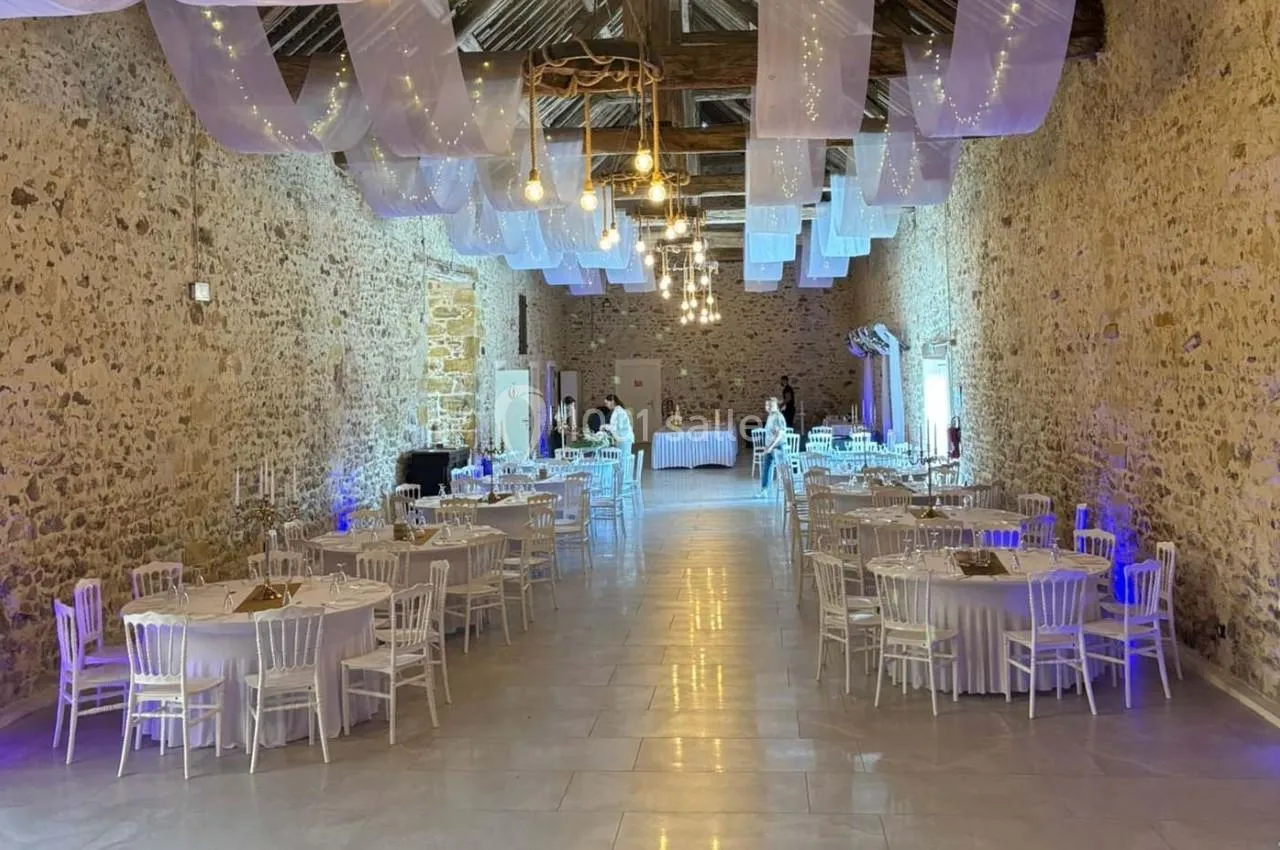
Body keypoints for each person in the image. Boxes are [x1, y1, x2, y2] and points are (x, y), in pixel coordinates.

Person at [601, 394, 635, 481]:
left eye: (607, 403)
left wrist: (605, 427)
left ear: (612, 401)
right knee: (622, 459)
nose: (606, 405)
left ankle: (624, 480)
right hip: (622, 439)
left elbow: (617, 427)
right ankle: (623, 480)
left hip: (625, 439)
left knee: (624, 460)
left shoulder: (619, 412)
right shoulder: (617, 411)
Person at [759, 396, 788, 496]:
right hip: (770, 447)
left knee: (781, 469)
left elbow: (780, 435)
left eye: (771, 405)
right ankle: (764, 490)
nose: (768, 407)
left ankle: (787, 491)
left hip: (778, 446)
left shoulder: (778, 417)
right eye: (767, 405)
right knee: (766, 468)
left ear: (776, 405)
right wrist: (767, 446)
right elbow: (770, 433)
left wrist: (771, 447)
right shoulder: (770, 416)